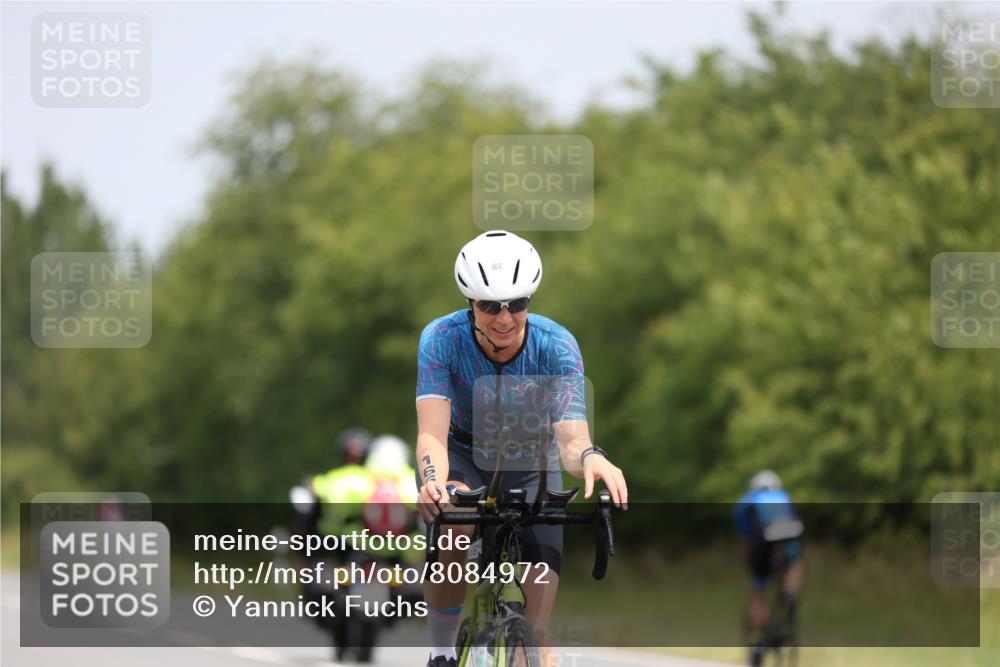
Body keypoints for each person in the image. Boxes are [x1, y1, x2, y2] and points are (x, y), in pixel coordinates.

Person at [414, 230, 628, 667]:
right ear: (471, 304)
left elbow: (571, 438)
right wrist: (433, 483)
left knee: (537, 628)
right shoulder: (441, 338)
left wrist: (591, 458)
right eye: (490, 306)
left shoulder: (556, 345)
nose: (505, 318)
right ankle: (439, 651)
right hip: (464, 455)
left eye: (517, 303)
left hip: (532, 458)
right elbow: (432, 434)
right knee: (455, 522)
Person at [733, 470, 804, 667]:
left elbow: (746, 541)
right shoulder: (785, 497)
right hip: (791, 531)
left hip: (763, 538)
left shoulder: (747, 502)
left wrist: (752, 565)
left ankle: (756, 644)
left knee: (758, 591)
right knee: (794, 561)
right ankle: (791, 595)